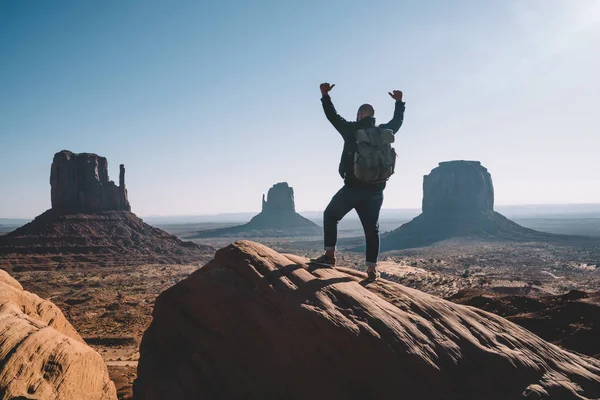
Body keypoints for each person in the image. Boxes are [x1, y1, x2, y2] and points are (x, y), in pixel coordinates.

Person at [311, 82, 405, 281]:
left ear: (360, 116)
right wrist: (399, 103)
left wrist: (325, 95)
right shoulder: (385, 132)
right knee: (372, 229)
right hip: (377, 190)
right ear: (373, 117)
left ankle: (329, 257)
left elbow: (332, 117)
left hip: (353, 188)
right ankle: (371, 270)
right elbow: (397, 122)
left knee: (330, 215)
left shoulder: (352, 130)